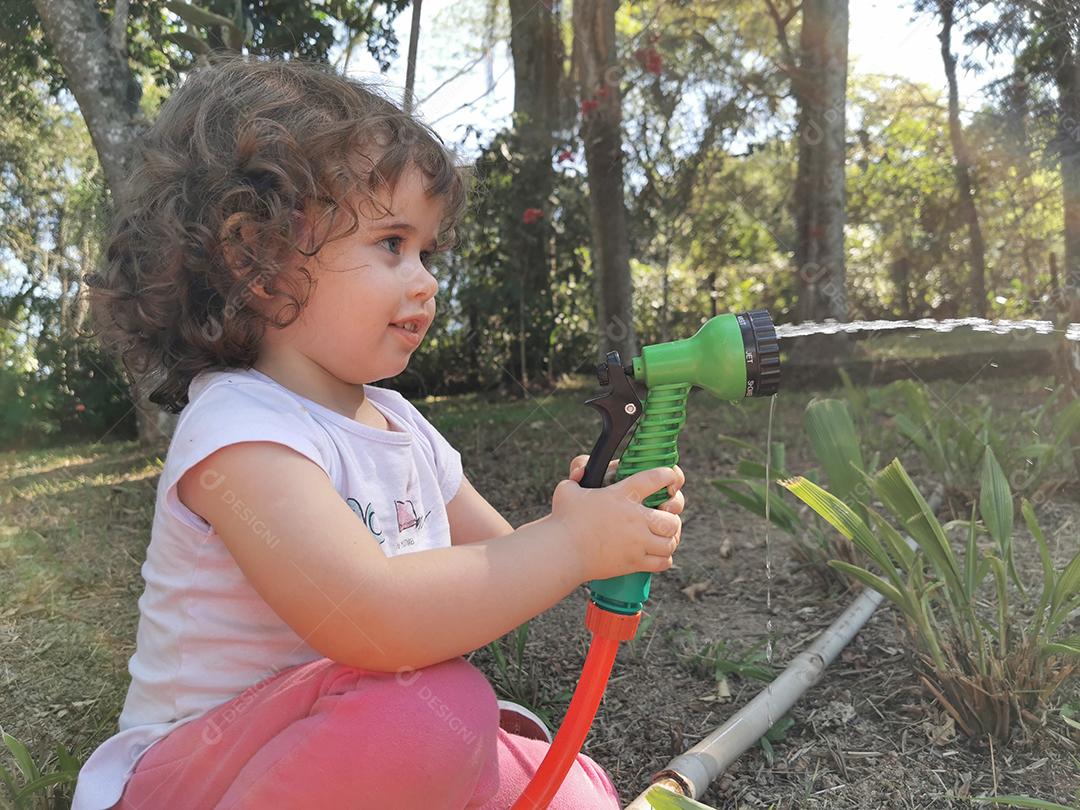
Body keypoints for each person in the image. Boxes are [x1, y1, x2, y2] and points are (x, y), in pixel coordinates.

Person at [72, 56, 685, 810]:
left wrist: (594, 526)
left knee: (570, 791)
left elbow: (498, 561)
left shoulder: (403, 427)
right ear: (255, 259)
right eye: (391, 243)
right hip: (204, 773)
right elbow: (372, 619)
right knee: (434, 715)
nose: (426, 279)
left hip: (359, 739)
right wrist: (567, 545)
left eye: (429, 250)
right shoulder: (237, 430)